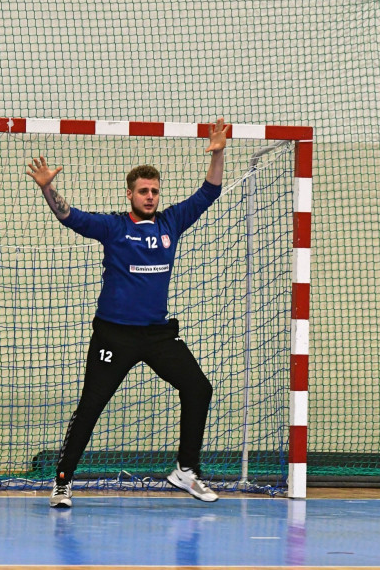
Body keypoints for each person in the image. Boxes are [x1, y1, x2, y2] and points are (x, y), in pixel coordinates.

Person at [26, 118, 230, 509]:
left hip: (156, 335)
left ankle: (186, 470)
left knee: (198, 388)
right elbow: (69, 216)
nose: (150, 196)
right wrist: (48, 188)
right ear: (130, 194)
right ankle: (63, 482)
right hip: (113, 336)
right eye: (143, 191)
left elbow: (210, 192)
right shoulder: (113, 228)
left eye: (154, 191)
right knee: (91, 406)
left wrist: (218, 152)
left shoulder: (172, 221)